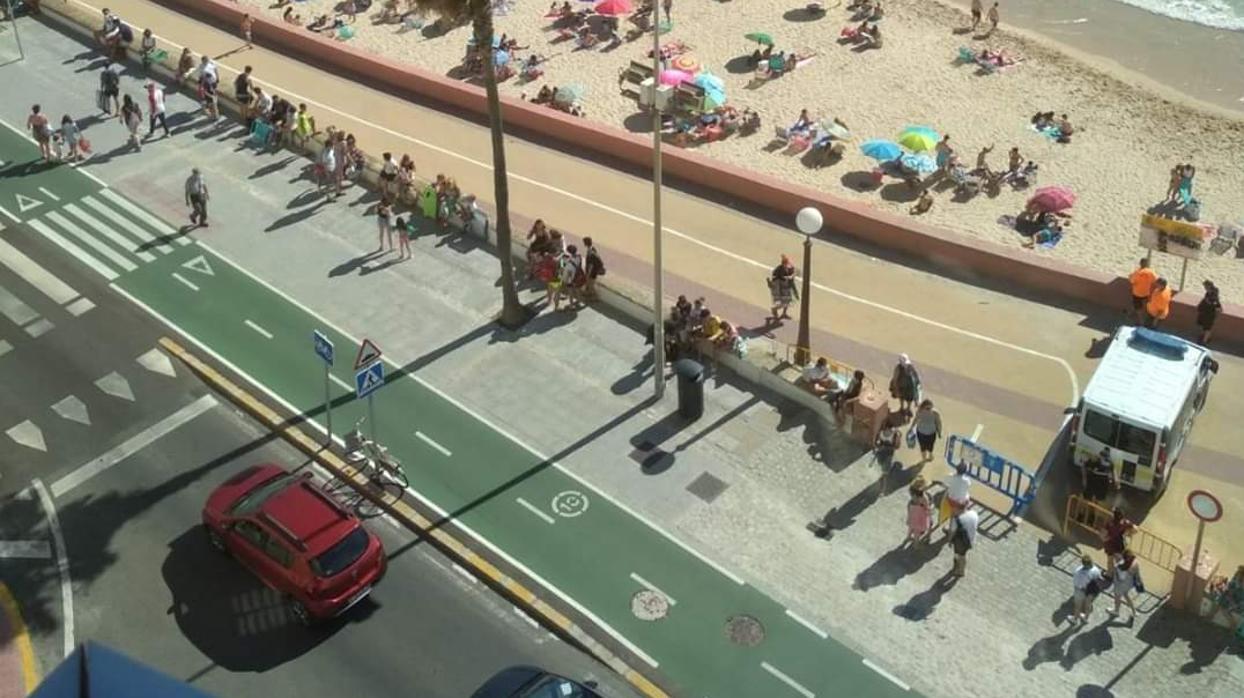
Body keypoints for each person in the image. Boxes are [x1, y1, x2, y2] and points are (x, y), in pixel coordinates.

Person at [1100, 508, 1135, 574]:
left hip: (1109, 545)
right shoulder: (1125, 522)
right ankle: (1120, 574)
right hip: (1120, 544)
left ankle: (1109, 574)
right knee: (1119, 560)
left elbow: (1103, 536)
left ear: (1114, 515)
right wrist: (1127, 534)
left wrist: (1107, 538)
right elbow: (1135, 529)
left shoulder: (1109, 523)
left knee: (1110, 560)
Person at [1072, 555, 1104, 624]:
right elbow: (1099, 578)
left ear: (1083, 563)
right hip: (1091, 591)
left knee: (1078, 605)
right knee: (1088, 604)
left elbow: (1077, 583)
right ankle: (1086, 618)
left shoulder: (1079, 572)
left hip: (1081, 590)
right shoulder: (1096, 569)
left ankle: (1074, 619)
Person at [1109, 551, 1141, 620]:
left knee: (1117, 598)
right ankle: (1134, 611)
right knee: (1126, 596)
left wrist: (1114, 568)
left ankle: (1116, 611)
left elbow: (1118, 577)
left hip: (1120, 584)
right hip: (1129, 583)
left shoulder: (1119, 566)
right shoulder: (1134, 563)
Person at [768, 255, 797, 321]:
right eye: (787, 263)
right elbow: (779, 279)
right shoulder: (778, 270)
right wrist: (789, 277)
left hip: (786, 287)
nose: (788, 264)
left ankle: (784, 313)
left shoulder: (788, 268)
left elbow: (792, 273)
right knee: (783, 302)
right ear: (783, 263)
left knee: (788, 300)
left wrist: (792, 274)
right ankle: (774, 309)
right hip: (780, 287)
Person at [950, 508, 978, 577]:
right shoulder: (973, 514)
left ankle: (961, 571)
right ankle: (958, 566)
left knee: (961, 555)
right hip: (970, 539)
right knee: (962, 554)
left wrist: (949, 540)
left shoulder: (957, 519)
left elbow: (952, 531)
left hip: (961, 541)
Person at [1128, 258, 1157, 325]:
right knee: (1145, 306)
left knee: (1138, 308)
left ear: (1140, 263)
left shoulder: (1137, 272)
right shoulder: (1151, 272)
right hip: (1146, 293)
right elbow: (1155, 280)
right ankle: (1132, 312)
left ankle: (1141, 322)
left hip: (1137, 293)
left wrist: (1130, 276)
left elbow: (1132, 281)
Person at [906, 477, 933, 545]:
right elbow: (927, 508)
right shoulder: (923, 498)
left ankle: (908, 537)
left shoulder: (912, 492)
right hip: (920, 514)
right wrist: (931, 509)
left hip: (912, 511)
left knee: (911, 527)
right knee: (918, 531)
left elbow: (909, 504)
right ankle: (916, 544)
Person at [1197, 280, 1222, 345]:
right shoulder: (1209, 293)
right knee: (1205, 327)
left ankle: (1204, 341)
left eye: (1205, 286)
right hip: (1205, 313)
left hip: (1210, 314)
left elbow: (1214, 304)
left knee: (1207, 328)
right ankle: (1205, 337)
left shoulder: (1213, 295)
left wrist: (1207, 301)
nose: (1205, 288)